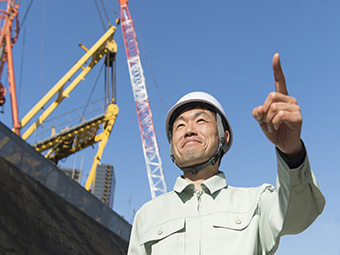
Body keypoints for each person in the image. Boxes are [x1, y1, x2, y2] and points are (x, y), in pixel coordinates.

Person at [127, 53, 325, 255]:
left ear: (225, 137)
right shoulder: (147, 216)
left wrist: (291, 153)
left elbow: (299, 213)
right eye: (179, 125)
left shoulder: (256, 202)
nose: (189, 130)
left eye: (201, 120)